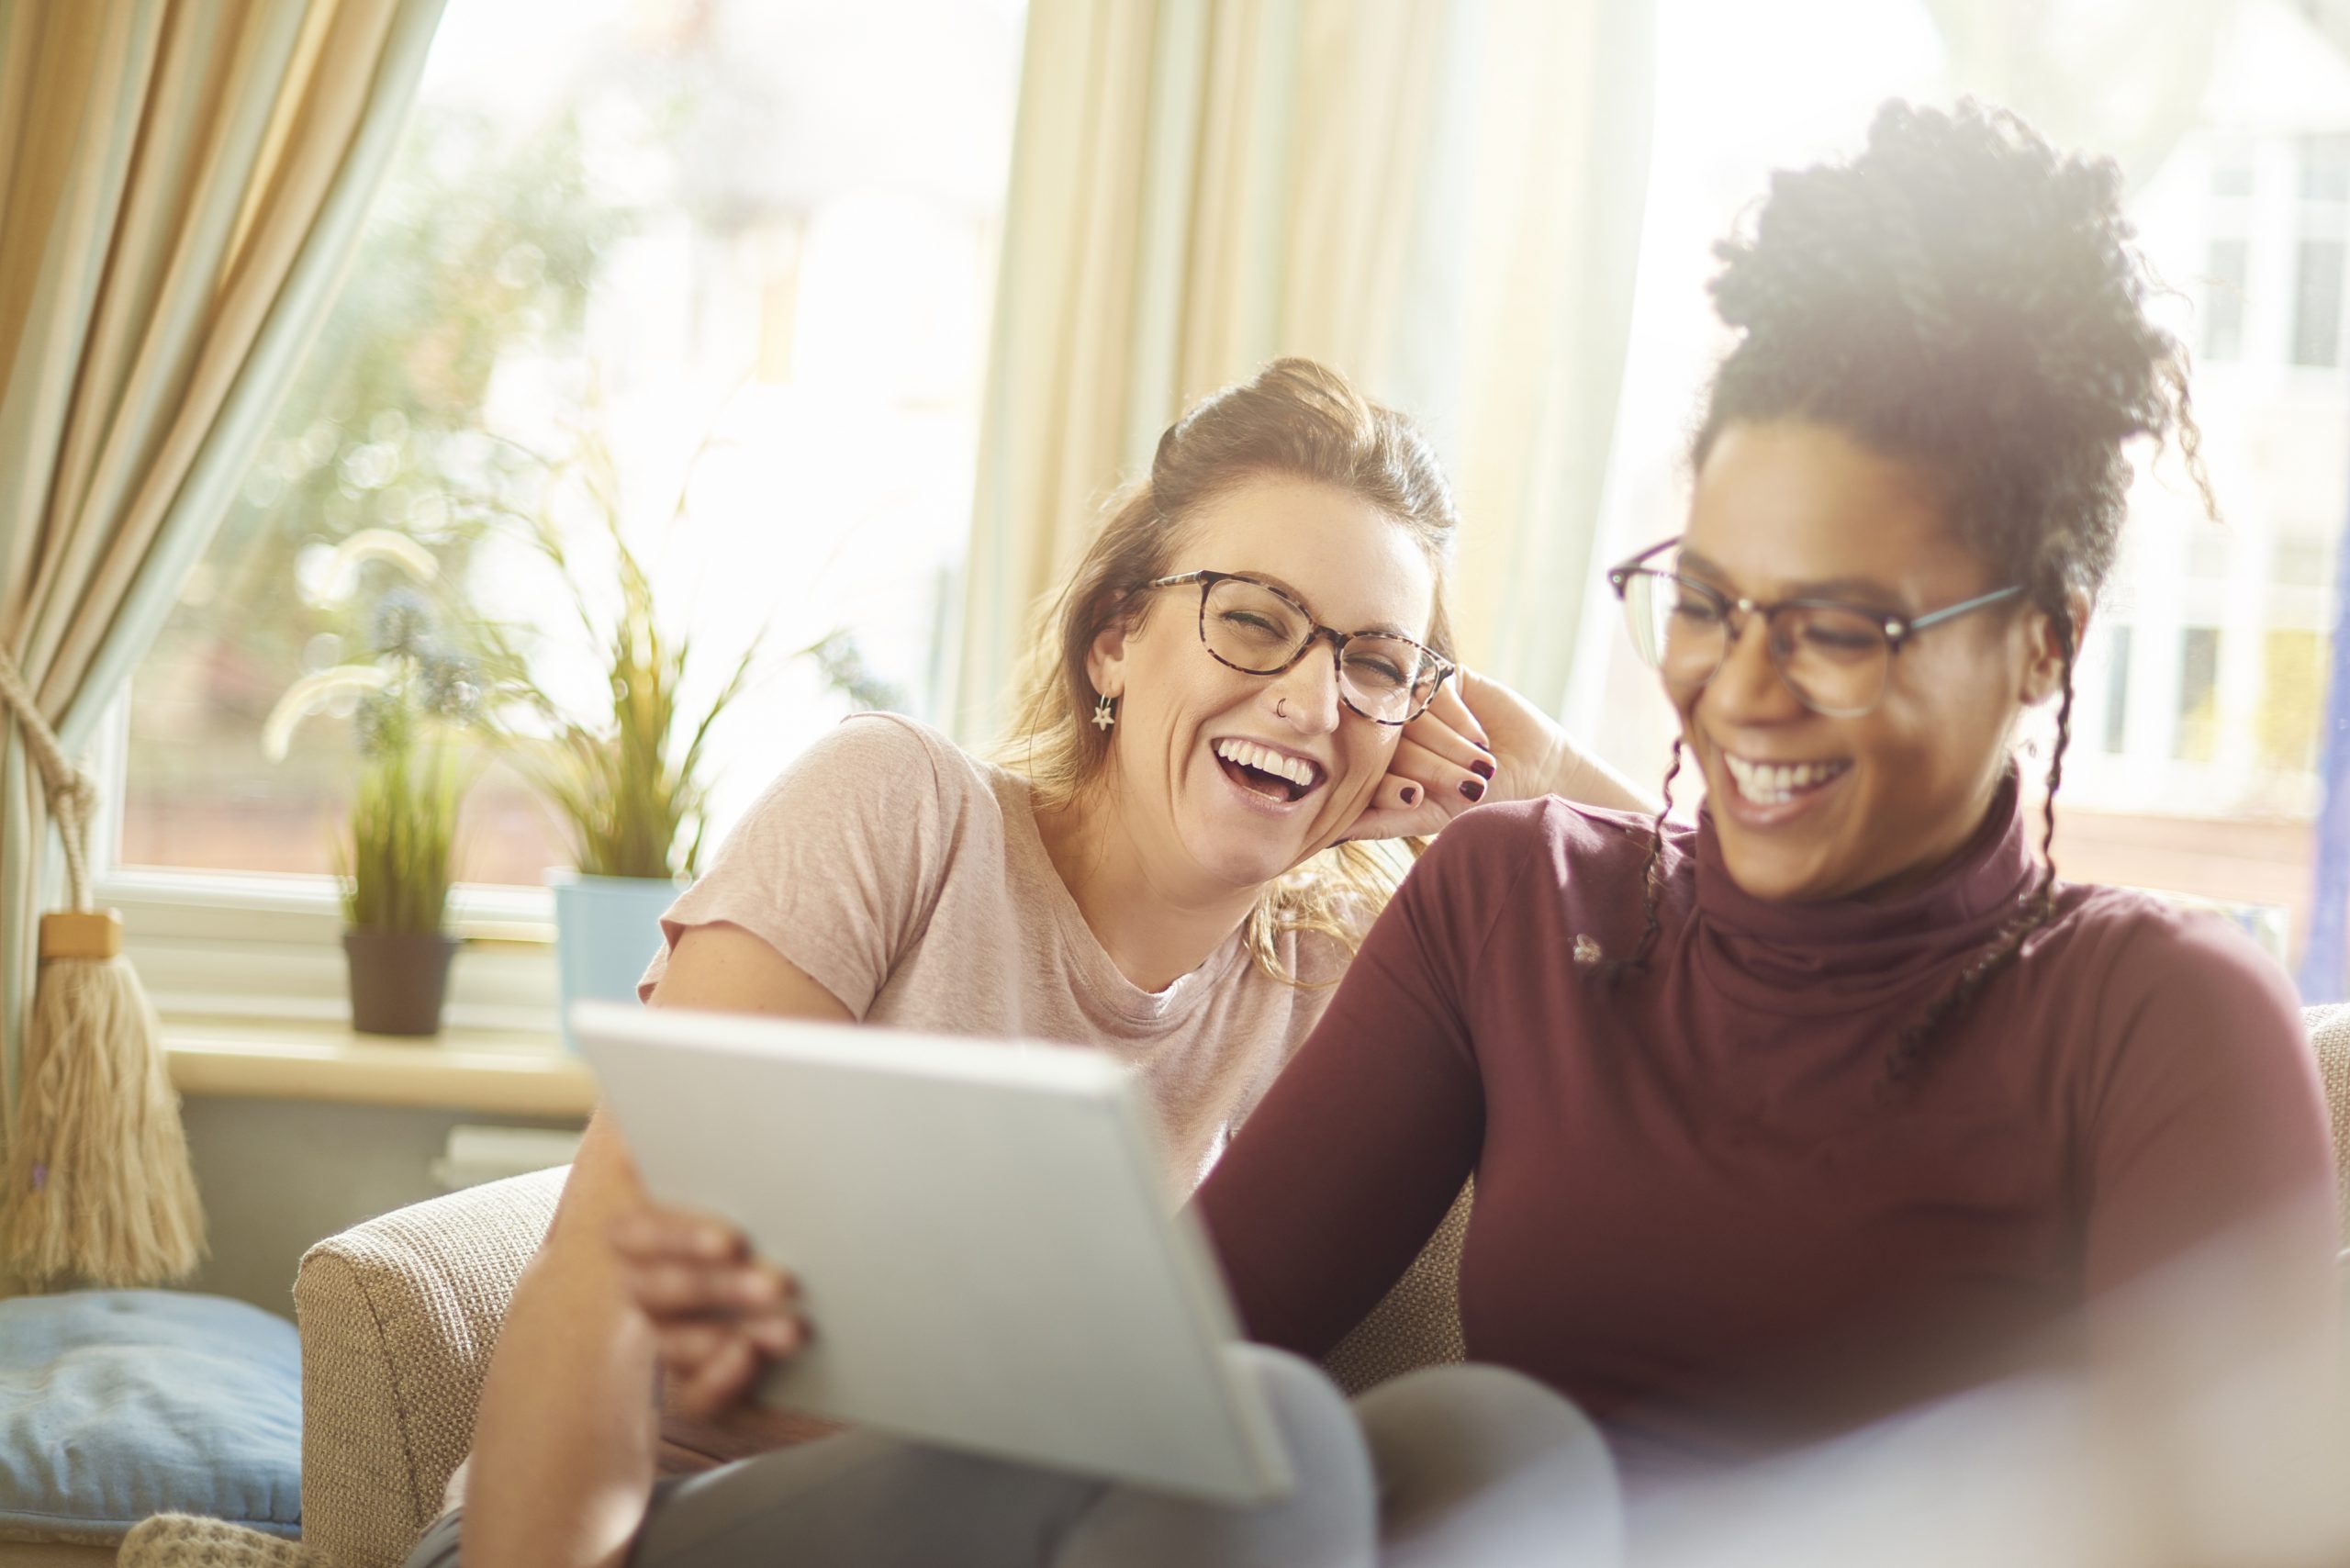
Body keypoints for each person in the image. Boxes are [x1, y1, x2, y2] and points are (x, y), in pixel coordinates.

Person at [1197, 96, 2337, 1535]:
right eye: (1712, 604)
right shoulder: (1512, 905)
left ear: (2046, 639)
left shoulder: (2156, 1018)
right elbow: (1173, 1367)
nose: (1740, 690)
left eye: (1841, 630)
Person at [437, 358, 1647, 1568]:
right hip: (643, 1524)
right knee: (1257, 1417)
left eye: (1373, 664)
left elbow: (1731, 949)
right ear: (1116, 640)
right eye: (1253, 621)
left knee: (1500, 1444)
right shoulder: (900, 808)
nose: (1309, 698)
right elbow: (604, 1270)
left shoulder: (1333, 979)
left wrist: (1537, 781)